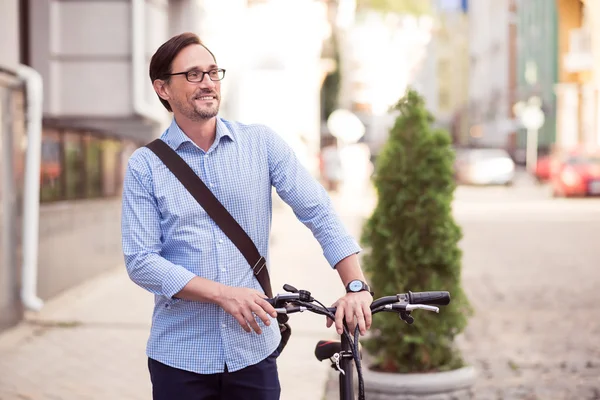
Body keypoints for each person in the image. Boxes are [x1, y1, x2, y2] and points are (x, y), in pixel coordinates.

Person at [121, 32, 373, 400]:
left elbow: (318, 210)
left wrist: (355, 286)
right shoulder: (145, 166)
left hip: (253, 352)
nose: (207, 82)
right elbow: (141, 261)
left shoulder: (261, 144)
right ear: (163, 89)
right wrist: (222, 294)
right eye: (193, 75)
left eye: (212, 72)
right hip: (180, 357)